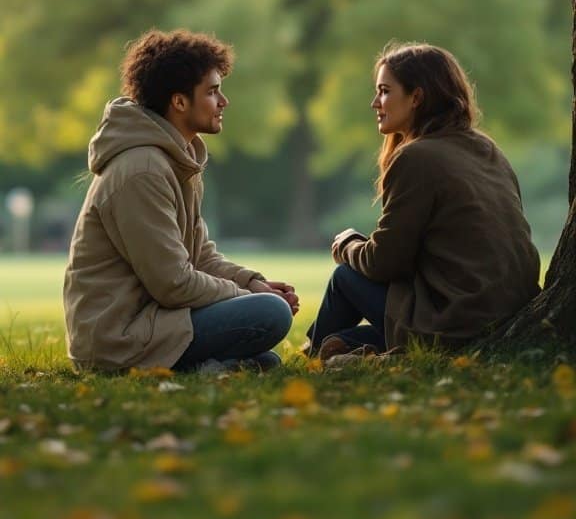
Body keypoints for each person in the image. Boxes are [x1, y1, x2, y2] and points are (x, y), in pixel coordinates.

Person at [64, 29, 298, 373]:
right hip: (118, 340)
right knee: (270, 314)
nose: (224, 102)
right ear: (179, 102)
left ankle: (208, 368)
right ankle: (202, 367)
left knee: (266, 358)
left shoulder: (175, 160)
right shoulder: (141, 170)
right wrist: (249, 299)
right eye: (213, 92)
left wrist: (251, 282)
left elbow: (199, 255)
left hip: (155, 323)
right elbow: (173, 283)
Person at [306, 42, 540, 362]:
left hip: (458, 318)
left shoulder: (418, 157)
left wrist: (347, 244)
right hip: (504, 313)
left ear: (416, 97)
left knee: (346, 276)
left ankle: (315, 353)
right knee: (346, 337)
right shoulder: (488, 150)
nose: (375, 102)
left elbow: (384, 263)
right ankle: (339, 346)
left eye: (385, 91)